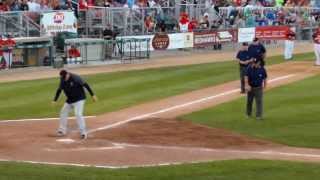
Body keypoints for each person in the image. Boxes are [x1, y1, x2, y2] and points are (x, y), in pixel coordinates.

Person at [53, 70, 97, 139]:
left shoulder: (76, 78)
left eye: (65, 77)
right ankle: (62, 131)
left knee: (78, 114)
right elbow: (59, 90)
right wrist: (55, 100)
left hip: (79, 99)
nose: (64, 79)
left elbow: (86, 85)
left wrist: (92, 95)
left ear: (67, 74)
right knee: (63, 112)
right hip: (70, 99)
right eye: (63, 78)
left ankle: (83, 133)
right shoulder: (62, 79)